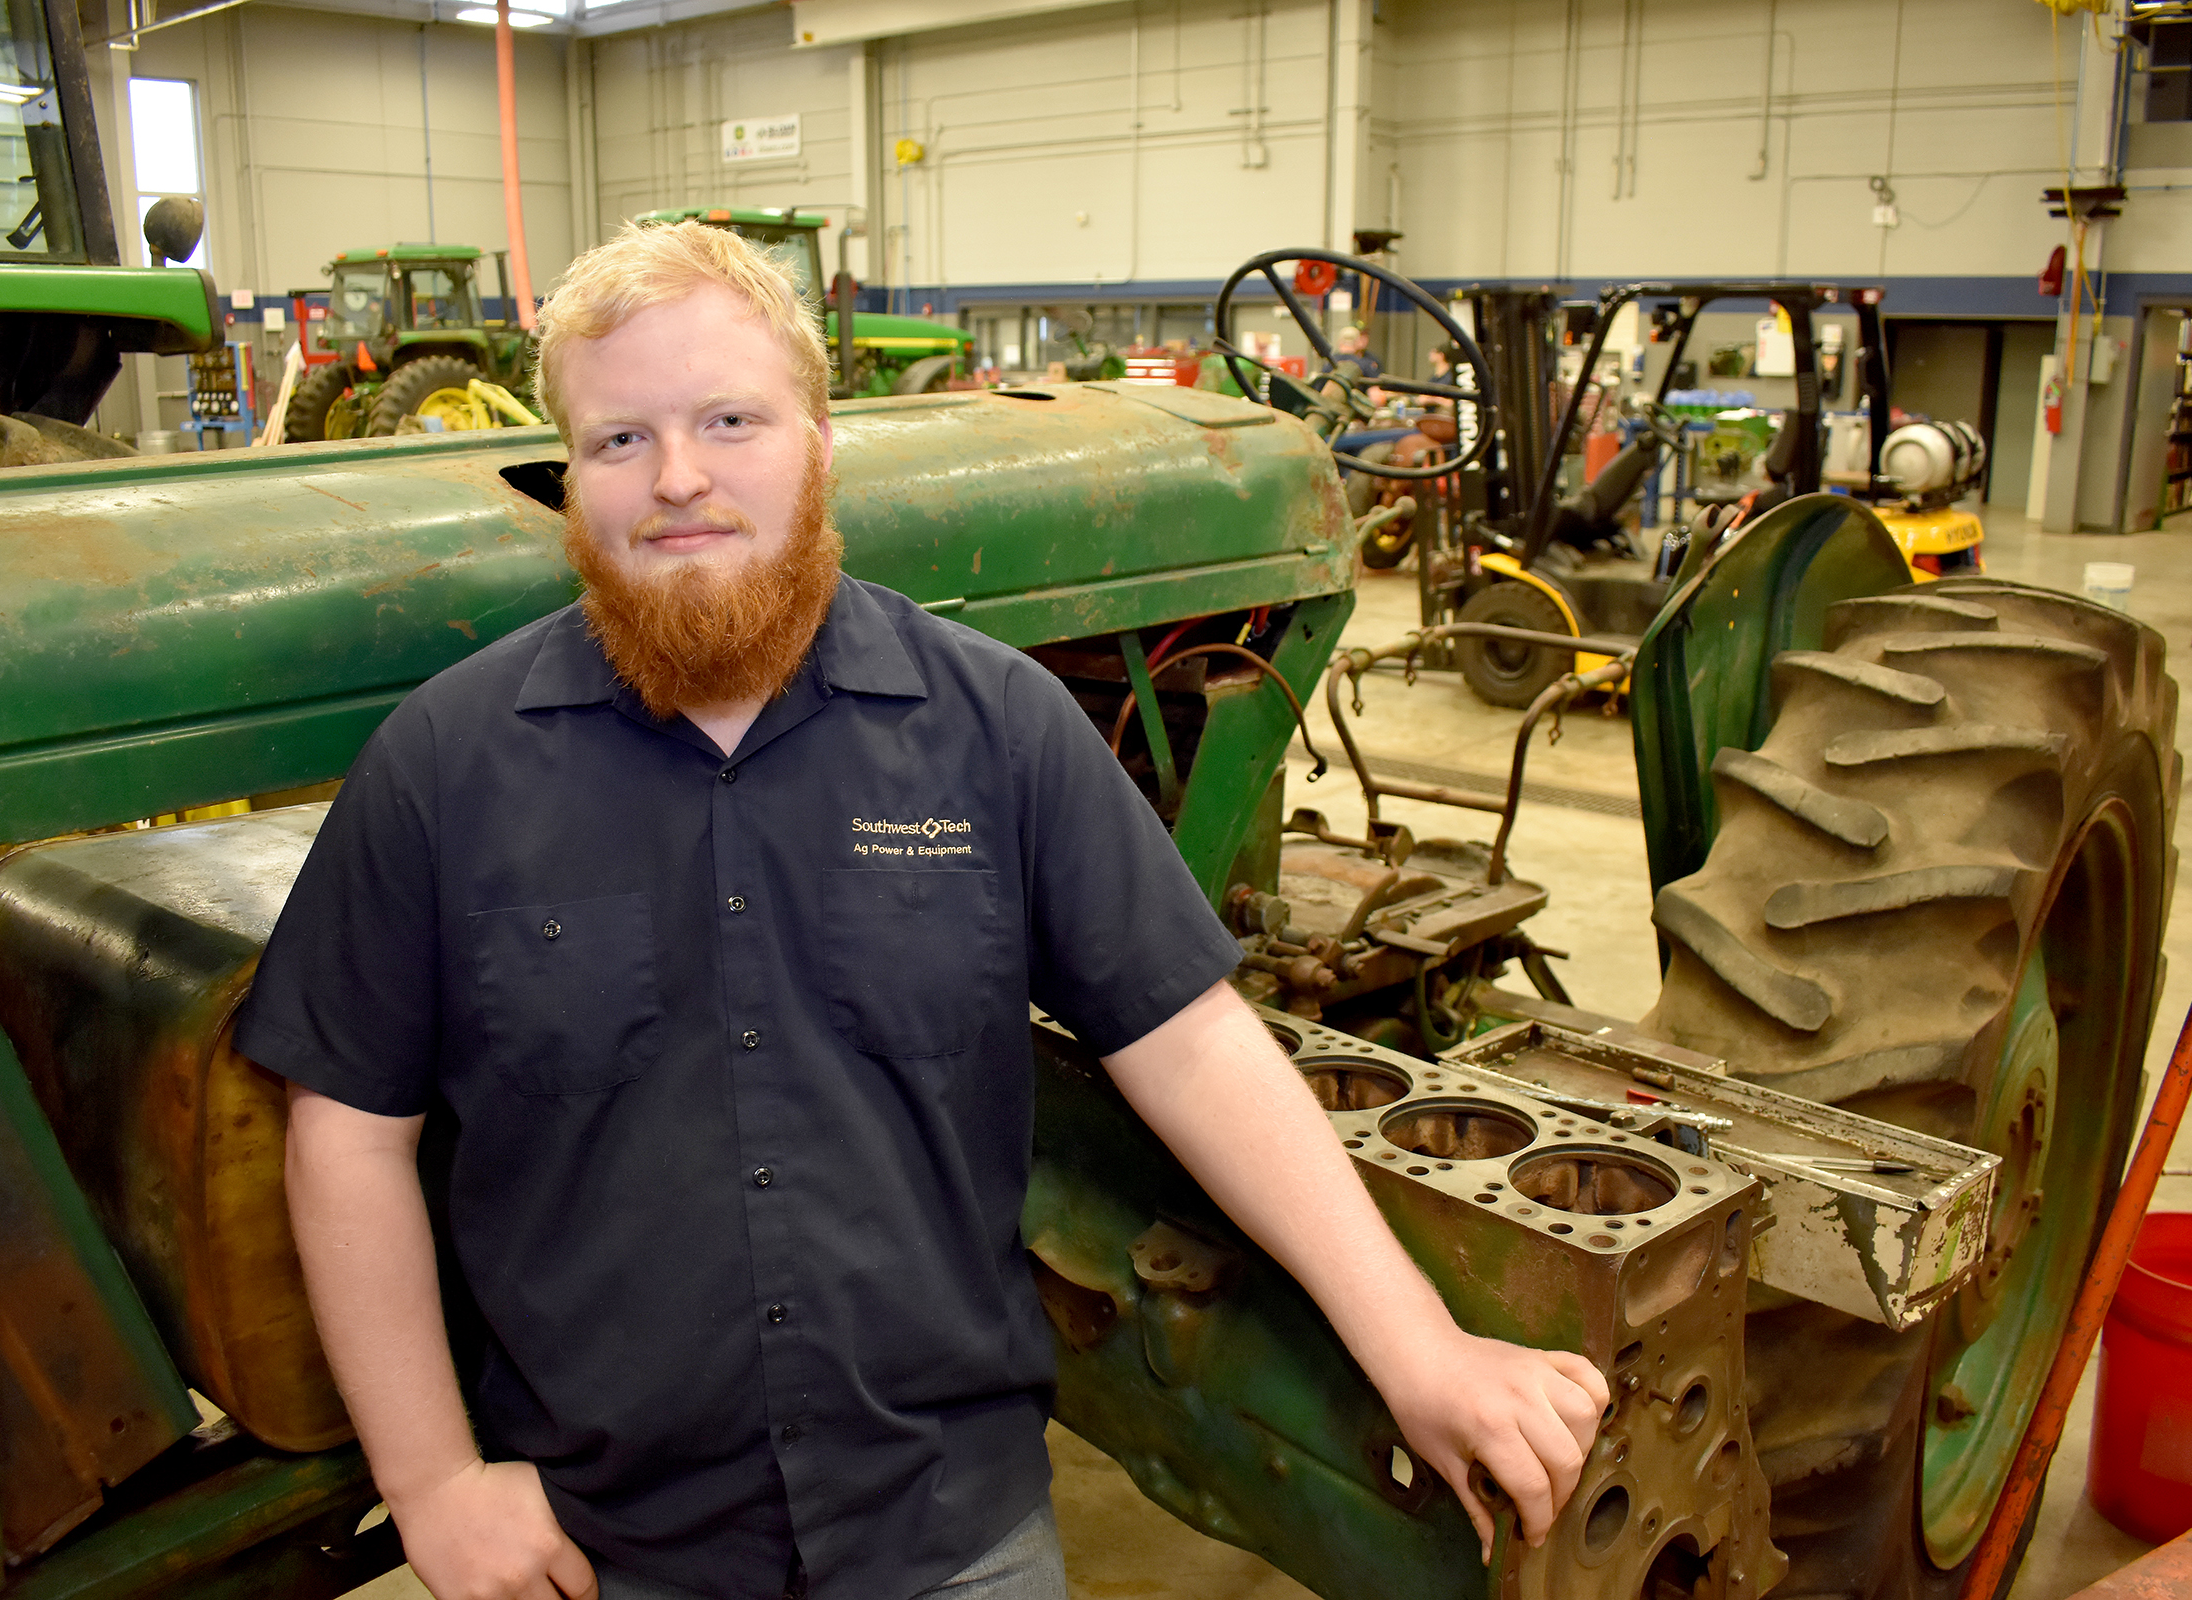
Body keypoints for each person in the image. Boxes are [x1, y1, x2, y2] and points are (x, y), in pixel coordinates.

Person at [240, 219, 1607, 1600]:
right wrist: (431, 1485)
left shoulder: (992, 727)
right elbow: (348, 1132)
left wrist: (1419, 1345)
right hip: (610, 1551)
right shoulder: (447, 765)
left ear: (822, 444)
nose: (681, 480)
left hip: (953, 1538)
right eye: (620, 441)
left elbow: (1192, 1045)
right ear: (569, 477)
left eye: (731, 420)